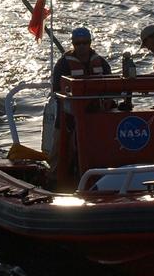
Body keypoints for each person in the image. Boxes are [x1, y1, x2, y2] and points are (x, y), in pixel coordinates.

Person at [44, 27, 112, 183]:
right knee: (59, 149)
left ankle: (99, 178)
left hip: (96, 115)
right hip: (68, 116)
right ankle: (54, 179)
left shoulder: (101, 62)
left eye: (85, 43)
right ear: (73, 44)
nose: (82, 46)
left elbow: (112, 86)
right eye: (78, 43)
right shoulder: (63, 64)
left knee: (98, 148)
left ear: (90, 43)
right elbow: (56, 90)